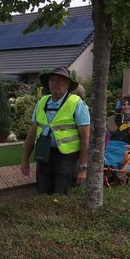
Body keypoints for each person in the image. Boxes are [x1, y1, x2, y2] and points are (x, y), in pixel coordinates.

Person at [20, 66, 90, 194]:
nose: (55, 83)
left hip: (66, 158)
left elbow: (86, 138)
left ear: (68, 85)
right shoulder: (41, 102)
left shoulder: (77, 103)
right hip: (43, 155)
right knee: (43, 194)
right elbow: (32, 133)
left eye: (60, 80)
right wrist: (25, 159)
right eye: (52, 80)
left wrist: (83, 167)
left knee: (61, 196)